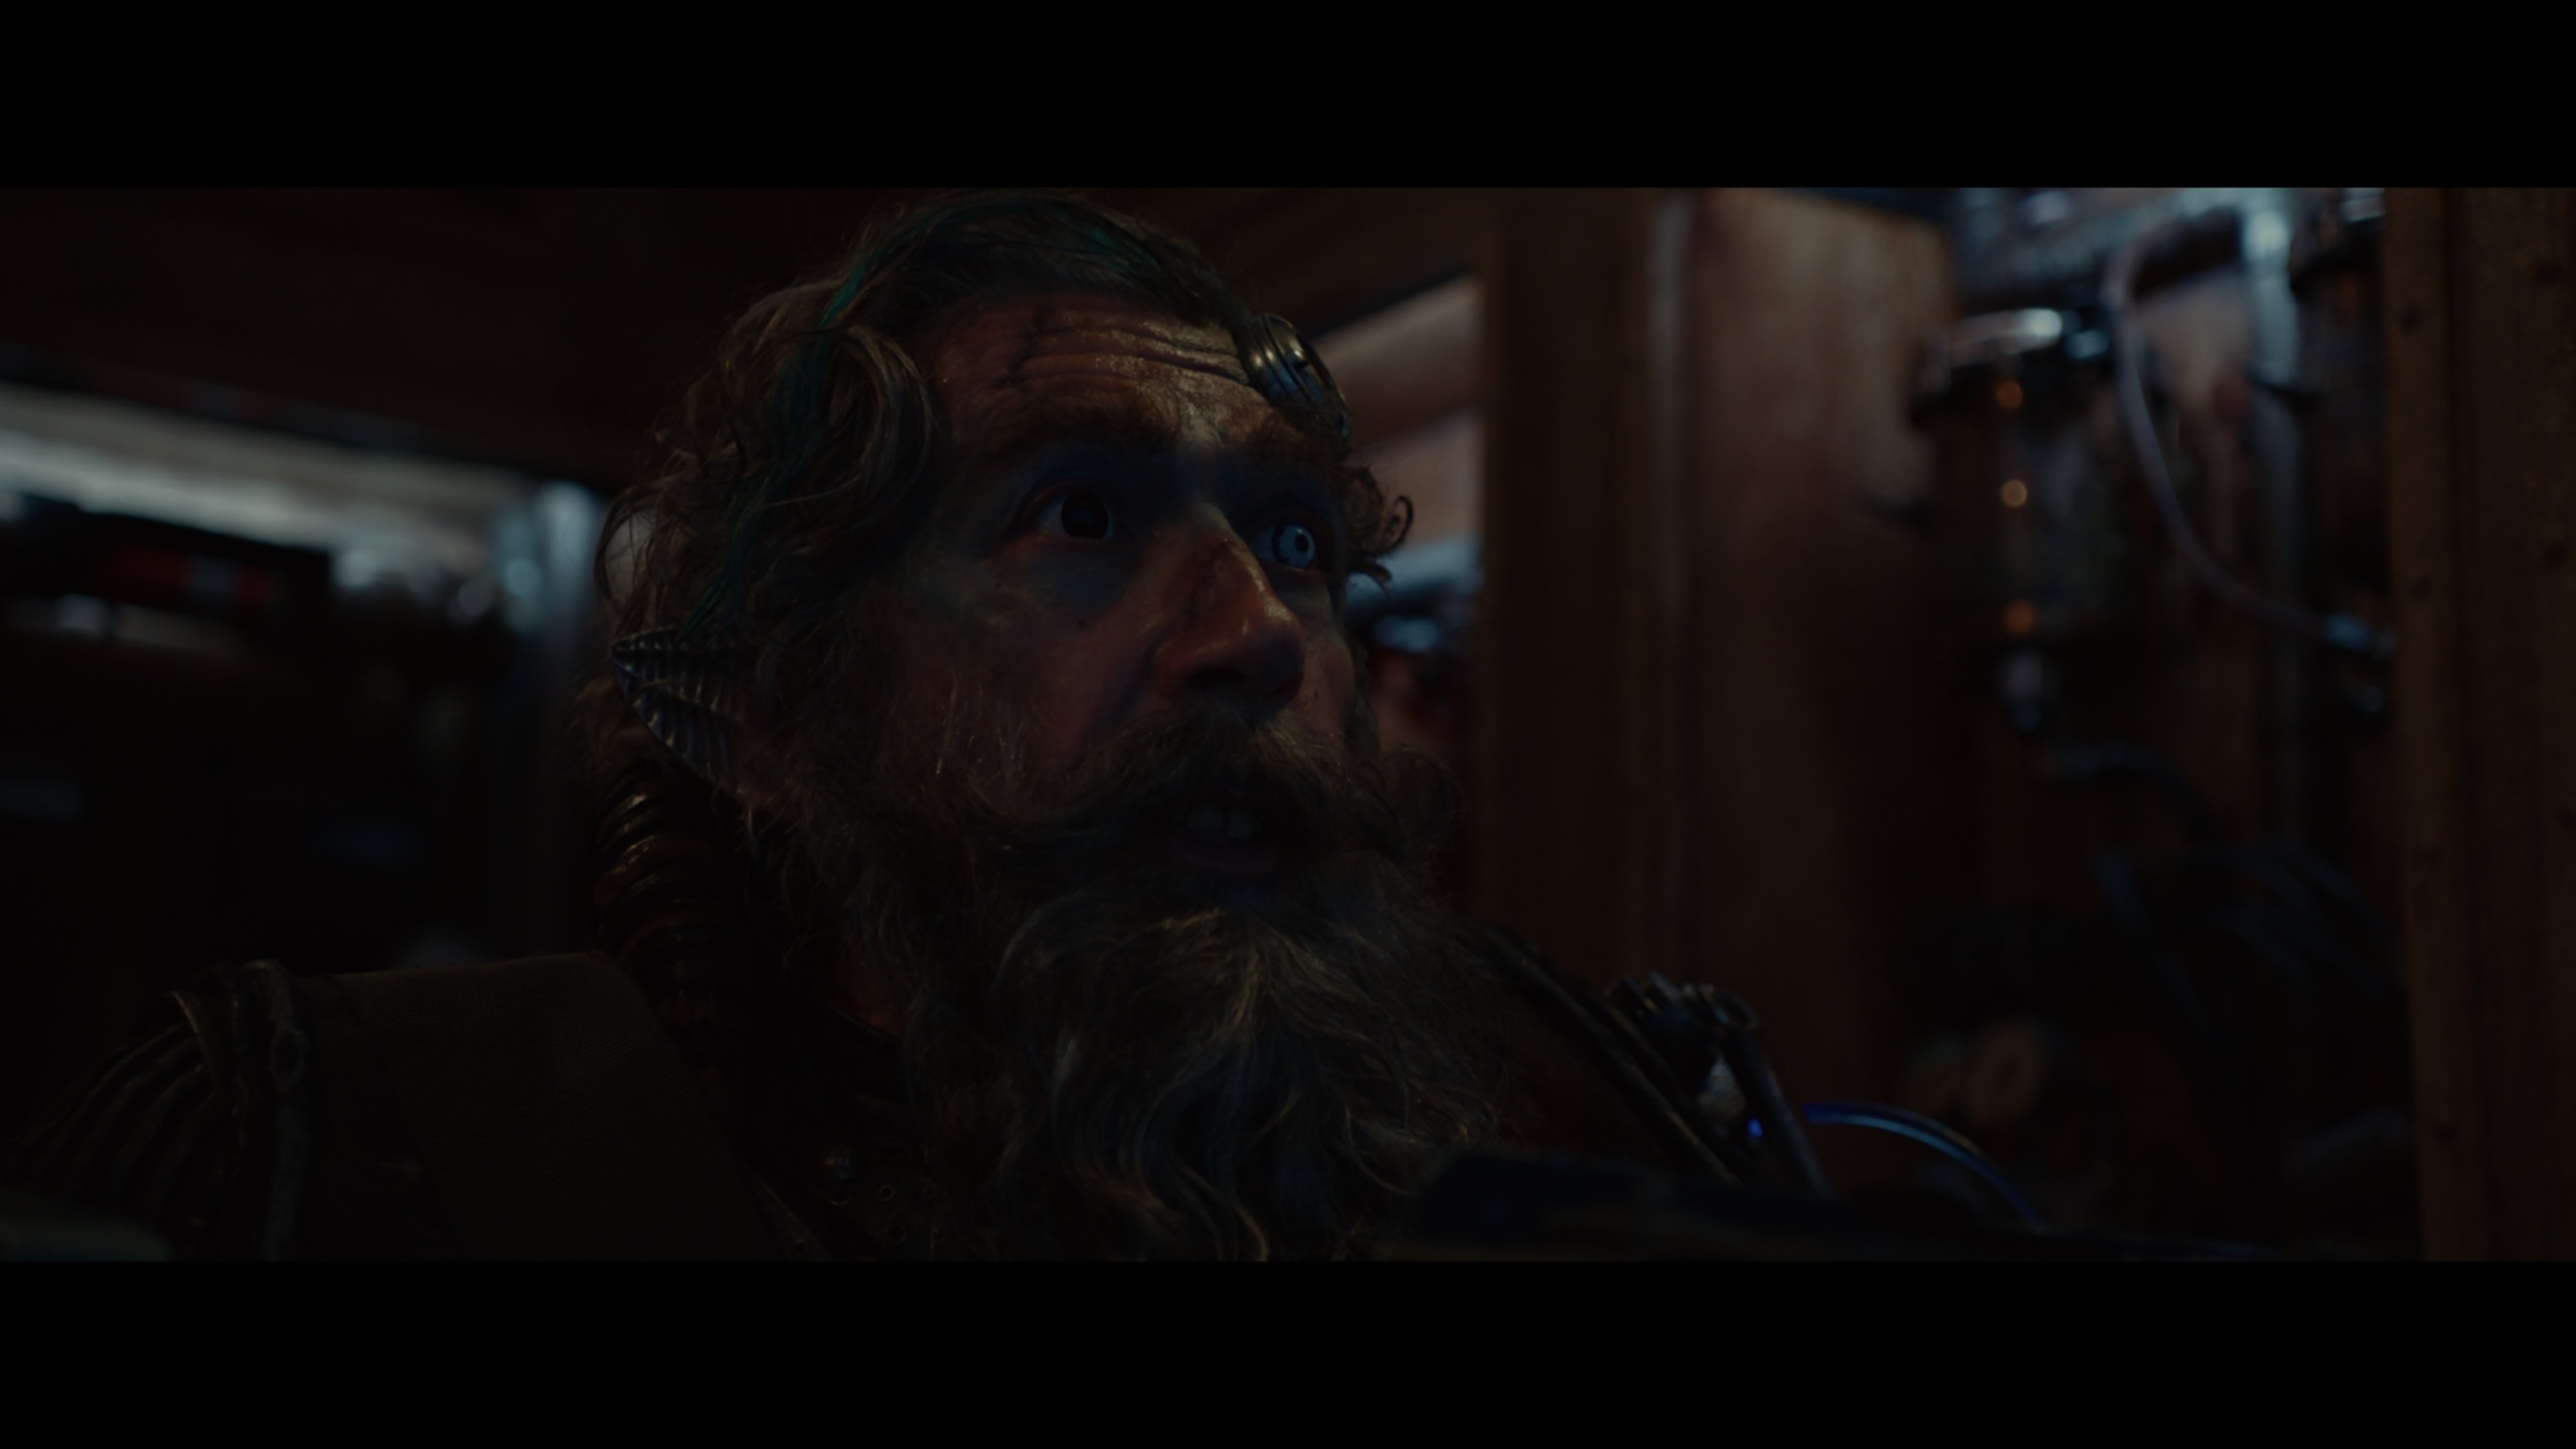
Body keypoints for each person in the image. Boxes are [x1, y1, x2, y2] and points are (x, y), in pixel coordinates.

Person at [1, 191, 1734, 1260]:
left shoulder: (1559, 1156)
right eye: (1080, 516)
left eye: (1295, 545)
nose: (1260, 639)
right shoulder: (308, 1146)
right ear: (774, 710)